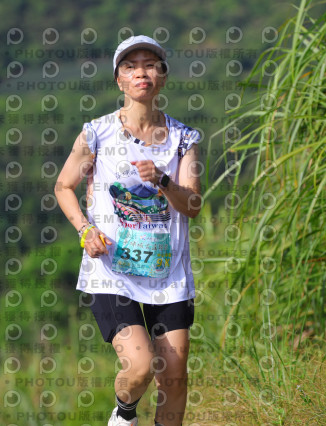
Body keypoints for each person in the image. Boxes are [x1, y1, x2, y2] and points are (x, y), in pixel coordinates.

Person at [54, 35, 203, 426]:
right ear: (119, 80)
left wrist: (164, 181)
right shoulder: (96, 133)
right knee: (140, 367)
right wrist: (85, 230)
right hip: (112, 272)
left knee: (174, 374)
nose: (142, 73)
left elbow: (193, 205)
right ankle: (124, 414)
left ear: (163, 77)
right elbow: (63, 186)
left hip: (168, 274)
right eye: (130, 66)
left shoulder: (184, 139)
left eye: (151, 65)